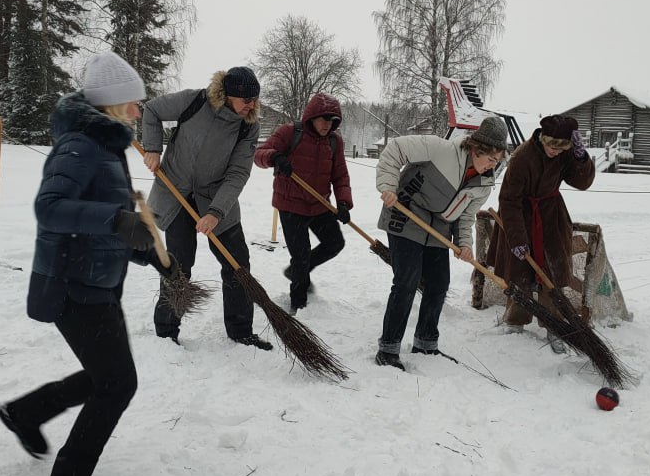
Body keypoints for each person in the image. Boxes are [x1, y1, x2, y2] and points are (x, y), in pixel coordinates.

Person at [0, 52, 175, 476]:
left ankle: (27, 412)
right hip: (72, 287)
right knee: (117, 384)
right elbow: (49, 207)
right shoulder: (80, 145)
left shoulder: (106, 146)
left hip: (95, 284)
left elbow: (105, 223)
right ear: (113, 105)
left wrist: (147, 251)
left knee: (105, 377)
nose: (140, 112)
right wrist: (118, 221)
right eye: (135, 104)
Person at [140, 67, 272, 349]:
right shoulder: (194, 101)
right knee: (178, 265)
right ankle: (166, 331)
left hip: (216, 197)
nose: (251, 106)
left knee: (237, 263)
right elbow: (151, 110)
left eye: (255, 100)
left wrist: (215, 212)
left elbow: (238, 172)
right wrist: (152, 147)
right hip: (176, 193)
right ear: (226, 95)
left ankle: (240, 330)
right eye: (245, 100)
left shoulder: (248, 125)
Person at [373, 116, 507, 370]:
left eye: (497, 161)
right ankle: (388, 348)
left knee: (438, 283)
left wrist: (465, 244)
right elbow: (396, 149)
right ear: (477, 149)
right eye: (490, 159)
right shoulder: (440, 149)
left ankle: (425, 341)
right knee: (407, 281)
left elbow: (466, 216)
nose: (493, 166)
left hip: (439, 226)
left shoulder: (484, 184)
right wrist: (389, 185)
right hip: (406, 213)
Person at [490, 114, 596, 346]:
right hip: (521, 215)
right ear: (543, 139)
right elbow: (509, 200)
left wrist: (580, 158)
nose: (555, 152)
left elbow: (582, 183)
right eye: (552, 146)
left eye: (562, 148)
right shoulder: (521, 157)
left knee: (553, 270)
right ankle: (515, 321)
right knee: (520, 273)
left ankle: (554, 325)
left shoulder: (566, 154)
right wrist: (517, 237)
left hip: (551, 217)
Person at [253, 93, 353, 312]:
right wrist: (275, 158)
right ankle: (299, 303)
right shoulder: (290, 132)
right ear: (312, 117)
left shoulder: (335, 141)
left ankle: (298, 270)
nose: (328, 124)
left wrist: (344, 203)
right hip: (291, 205)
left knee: (335, 243)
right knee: (301, 256)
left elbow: (340, 176)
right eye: (324, 119)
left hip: (319, 205)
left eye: (333, 121)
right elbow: (259, 154)